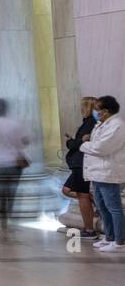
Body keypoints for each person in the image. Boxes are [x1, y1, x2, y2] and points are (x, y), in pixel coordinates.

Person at [81, 96, 125, 252]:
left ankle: (120, 242)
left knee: (114, 207)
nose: (95, 112)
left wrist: (85, 143)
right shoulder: (102, 124)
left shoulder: (117, 126)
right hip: (97, 172)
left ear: (105, 111)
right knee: (102, 207)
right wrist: (89, 141)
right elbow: (96, 144)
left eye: (97, 109)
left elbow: (101, 148)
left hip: (108, 172)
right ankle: (109, 237)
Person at [0, 98, 30, 228]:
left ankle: (1, 216)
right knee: (11, 192)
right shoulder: (15, 124)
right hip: (13, 163)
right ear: (6, 109)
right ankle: (8, 215)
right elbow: (26, 140)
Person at [62, 97, 99, 238]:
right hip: (78, 163)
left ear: (86, 107)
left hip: (82, 163)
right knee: (66, 190)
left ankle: (89, 230)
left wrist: (72, 142)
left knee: (82, 195)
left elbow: (83, 143)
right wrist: (76, 141)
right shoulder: (87, 123)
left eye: (82, 106)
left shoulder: (91, 123)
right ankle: (96, 201)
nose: (80, 109)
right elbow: (81, 141)